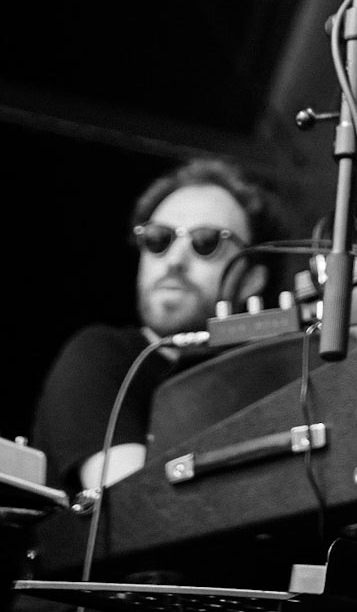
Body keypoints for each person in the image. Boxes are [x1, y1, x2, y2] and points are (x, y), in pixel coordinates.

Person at [32, 157, 281, 497]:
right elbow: (137, 507)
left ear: (252, 279)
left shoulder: (269, 377)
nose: (175, 260)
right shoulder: (99, 355)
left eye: (206, 242)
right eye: (159, 238)